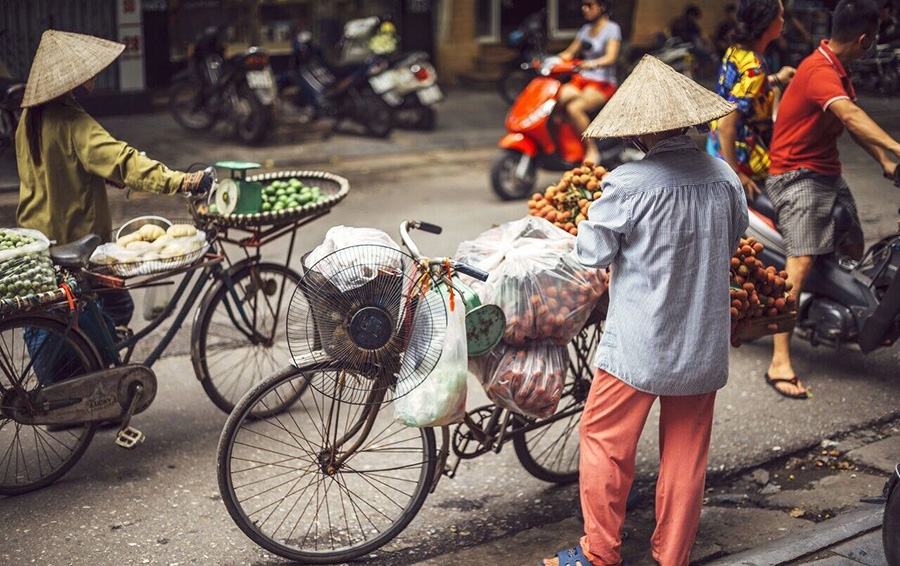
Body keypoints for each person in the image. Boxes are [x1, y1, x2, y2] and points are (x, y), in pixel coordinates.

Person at [540, 55, 748, 566]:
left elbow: (592, 253)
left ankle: (600, 553)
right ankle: (672, 555)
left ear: (640, 131)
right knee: (686, 451)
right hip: (701, 341)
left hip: (640, 343)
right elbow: (734, 234)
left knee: (604, 439)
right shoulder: (723, 176)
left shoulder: (629, 183)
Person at [16, 30, 212, 329]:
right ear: (70, 79)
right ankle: (96, 356)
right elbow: (124, 160)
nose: (94, 73)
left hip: (40, 238)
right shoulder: (73, 122)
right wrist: (181, 181)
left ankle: (94, 350)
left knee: (90, 312)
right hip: (75, 241)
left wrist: (99, 176)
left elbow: (57, 168)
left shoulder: (29, 119)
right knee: (117, 306)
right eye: (87, 69)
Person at [763, 0, 900, 399]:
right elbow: (852, 117)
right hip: (796, 176)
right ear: (865, 39)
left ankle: (835, 309)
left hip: (826, 173)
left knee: (854, 245)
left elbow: (849, 119)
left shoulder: (837, 68)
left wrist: (884, 160)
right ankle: (779, 360)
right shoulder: (820, 71)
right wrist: (897, 146)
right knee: (800, 263)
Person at [707, 0, 796, 201]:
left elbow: (739, 90)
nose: (783, 21)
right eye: (780, 16)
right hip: (740, 156)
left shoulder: (736, 51)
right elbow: (726, 124)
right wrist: (737, 175)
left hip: (715, 146)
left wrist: (777, 79)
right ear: (767, 22)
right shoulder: (754, 69)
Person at [557, 0, 622, 164]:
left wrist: (591, 63)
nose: (584, 9)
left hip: (603, 82)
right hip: (582, 79)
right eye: (583, 5)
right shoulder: (585, 30)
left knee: (574, 108)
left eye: (589, 5)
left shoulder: (612, 28)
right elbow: (569, 53)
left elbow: (611, 57)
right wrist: (549, 60)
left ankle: (591, 149)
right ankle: (565, 145)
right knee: (556, 97)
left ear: (602, 6)